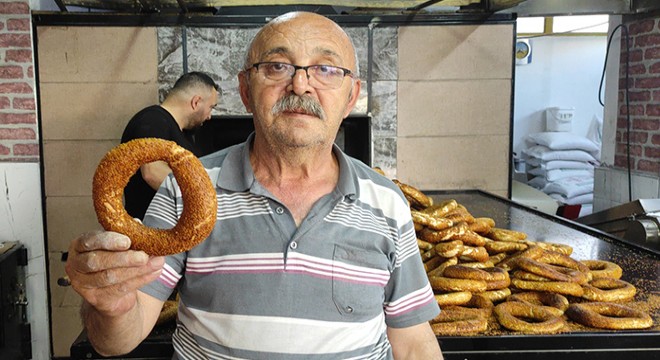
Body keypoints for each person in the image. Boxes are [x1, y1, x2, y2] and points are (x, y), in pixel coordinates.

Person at [65, 11, 443, 359]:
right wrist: (109, 306)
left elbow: (412, 343)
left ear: (351, 97)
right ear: (246, 90)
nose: (300, 84)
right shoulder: (185, 192)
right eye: (277, 66)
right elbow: (118, 338)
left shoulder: (387, 203)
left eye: (326, 69)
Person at [121, 71, 219, 220]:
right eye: (211, 107)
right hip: (150, 230)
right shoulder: (152, 120)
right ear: (196, 102)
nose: (210, 115)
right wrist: (201, 197)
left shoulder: (182, 133)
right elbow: (151, 171)